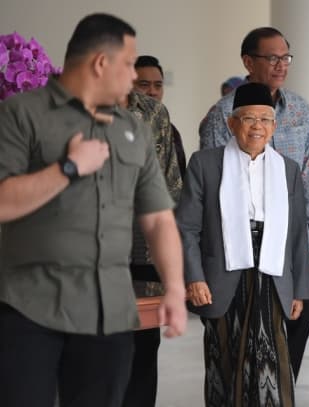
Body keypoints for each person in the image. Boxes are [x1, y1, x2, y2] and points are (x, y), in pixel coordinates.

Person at [0, 13, 187, 407]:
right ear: (101, 62)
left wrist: (173, 286)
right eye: (128, 64)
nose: (134, 75)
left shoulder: (133, 128)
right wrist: (68, 168)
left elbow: (157, 216)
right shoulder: (21, 114)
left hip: (109, 313)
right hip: (30, 307)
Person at [199, 26, 309, 380]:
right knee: (241, 333)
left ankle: (280, 386)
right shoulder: (223, 115)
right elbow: (211, 185)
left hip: (290, 237)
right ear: (248, 62)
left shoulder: (298, 108)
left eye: (286, 57)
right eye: (272, 58)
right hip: (239, 240)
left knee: (301, 314)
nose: (281, 65)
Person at [177, 82, 309, 407]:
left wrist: (300, 290)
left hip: (272, 273)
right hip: (222, 274)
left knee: (273, 361)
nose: (257, 127)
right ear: (232, 123)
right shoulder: (205, 163)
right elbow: (185, 227)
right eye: (249, 119)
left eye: (265, 120)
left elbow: (297, 234)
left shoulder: (288, 170)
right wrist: (194, 277)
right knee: (224, 361)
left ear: (274, 126)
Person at [121, 89, 182, 406]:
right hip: (92, 257)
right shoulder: (71, 108)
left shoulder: (154, 113)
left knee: (143, 351)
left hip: (144, 250)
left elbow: (171, 187)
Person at [134, 55, 187, 176]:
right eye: (144, 85)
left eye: (158, 85)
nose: (153, 92)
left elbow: (178, 177)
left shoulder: (170, 130)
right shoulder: (118, 124)